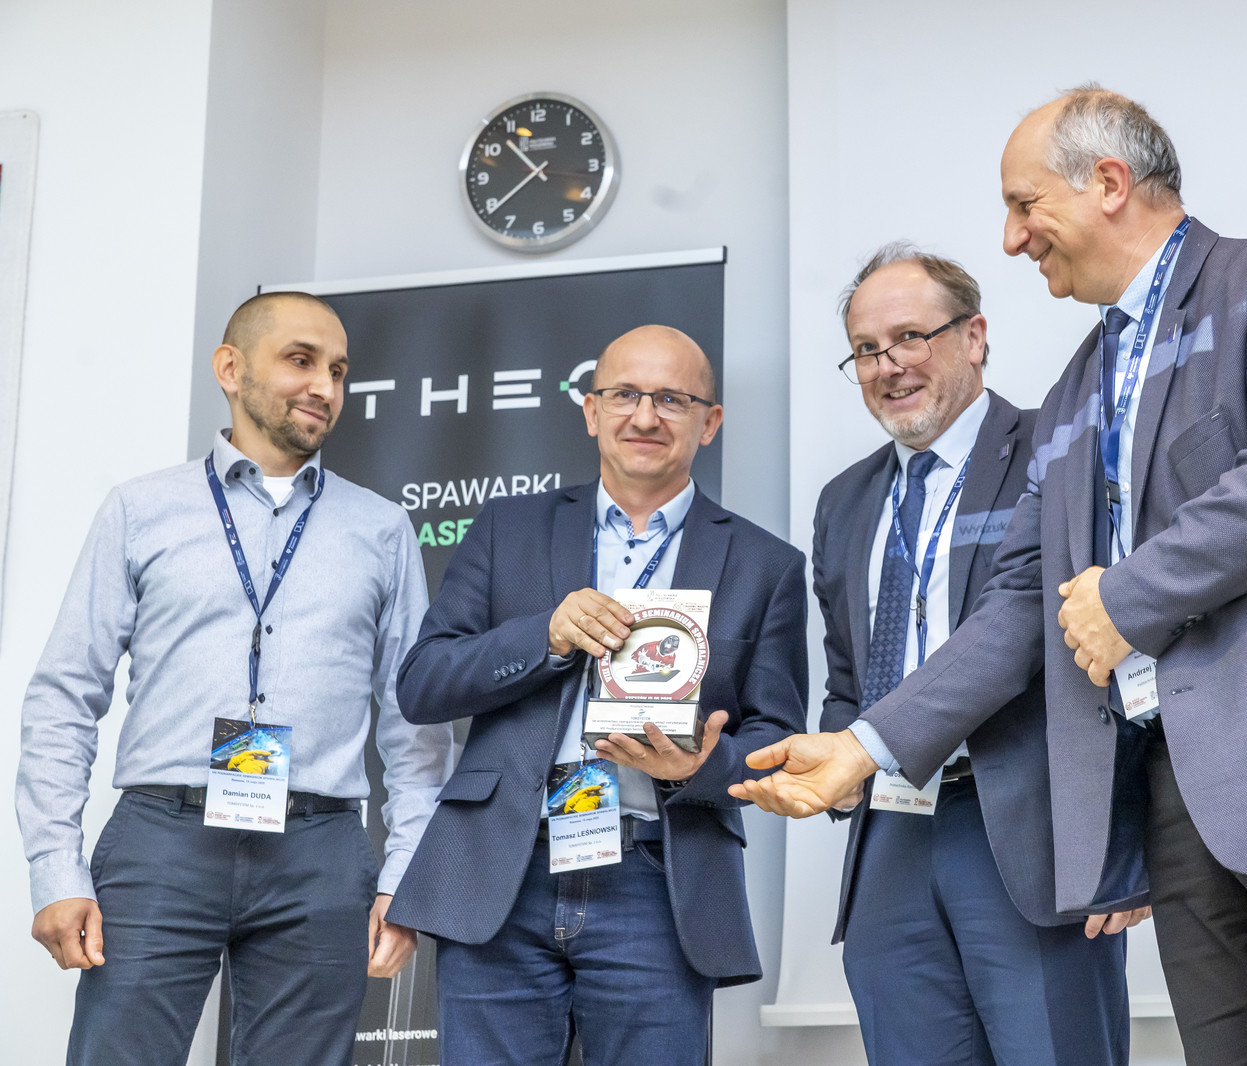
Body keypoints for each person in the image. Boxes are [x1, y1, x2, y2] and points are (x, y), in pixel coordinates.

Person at [733, 85, 1247, 1066]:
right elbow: (1019, 603)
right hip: (1177, 796)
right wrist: (864, 746)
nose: (1012, 239)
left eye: (1024, 205)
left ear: (1108, 182)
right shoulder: (1075, 388)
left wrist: (1124, 597)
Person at [16, 291, 454, 1066]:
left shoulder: (382, 528)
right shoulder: (141, 509)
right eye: (300, 360)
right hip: (162, 839)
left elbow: (414, 723)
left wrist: (406, 875)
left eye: (338, 370)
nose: (324, 386)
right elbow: (64, 694)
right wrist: (56, 871)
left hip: (320, 849)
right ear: (230, 368)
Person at [386, 325, 808, 1066]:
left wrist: (700, 767)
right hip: (502, 871)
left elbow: (778, 742)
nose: (645, 416)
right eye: (624, 395)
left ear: (709, 421)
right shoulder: (508, 528)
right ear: (590, 410)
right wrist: (545, 636)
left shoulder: (765, 563)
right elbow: (423, 685)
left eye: (672, 399)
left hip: (656, 879)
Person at [815, 242, 1138, 1065]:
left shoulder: (1057, 450)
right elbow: (847, 674)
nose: (889, 366)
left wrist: (1128, 840)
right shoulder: (842, 501)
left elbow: (1120, 647)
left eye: (910, 337)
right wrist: (835, 766)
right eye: (866, 350)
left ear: (974, 336)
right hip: (890, 835)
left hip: (1028, 834)